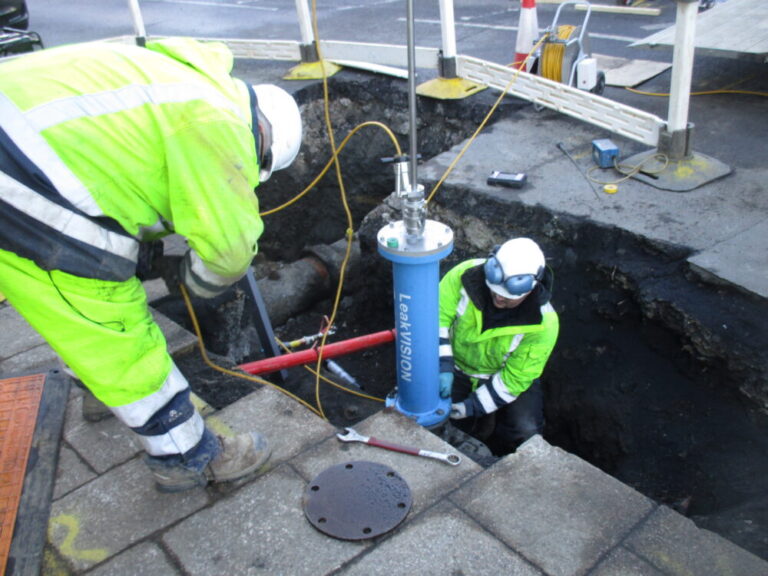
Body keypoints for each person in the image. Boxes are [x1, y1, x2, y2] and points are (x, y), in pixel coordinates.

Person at [0, 37, 303, 492]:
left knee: (65, 298)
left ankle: (101, 388)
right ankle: (186, 455)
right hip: (21, 173)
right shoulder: (219, 125)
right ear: (263, 140)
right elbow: (229, 252)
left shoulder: (193, 80)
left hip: (21, 146)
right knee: (105, 308)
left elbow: (125, 165)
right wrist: (195, 285)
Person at [438, 237, 559, 455]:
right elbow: (435, 320)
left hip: (504, 375)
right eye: (495, 290)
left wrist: (473, 406)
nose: (498, 298)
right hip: (455, 366)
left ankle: (505, 460)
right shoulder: (464, 276)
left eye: (507, 297)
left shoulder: (544, 323)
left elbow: (516, 379)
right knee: (439, 417)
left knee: (525, 431)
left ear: (531, 287)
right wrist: (442, 365)